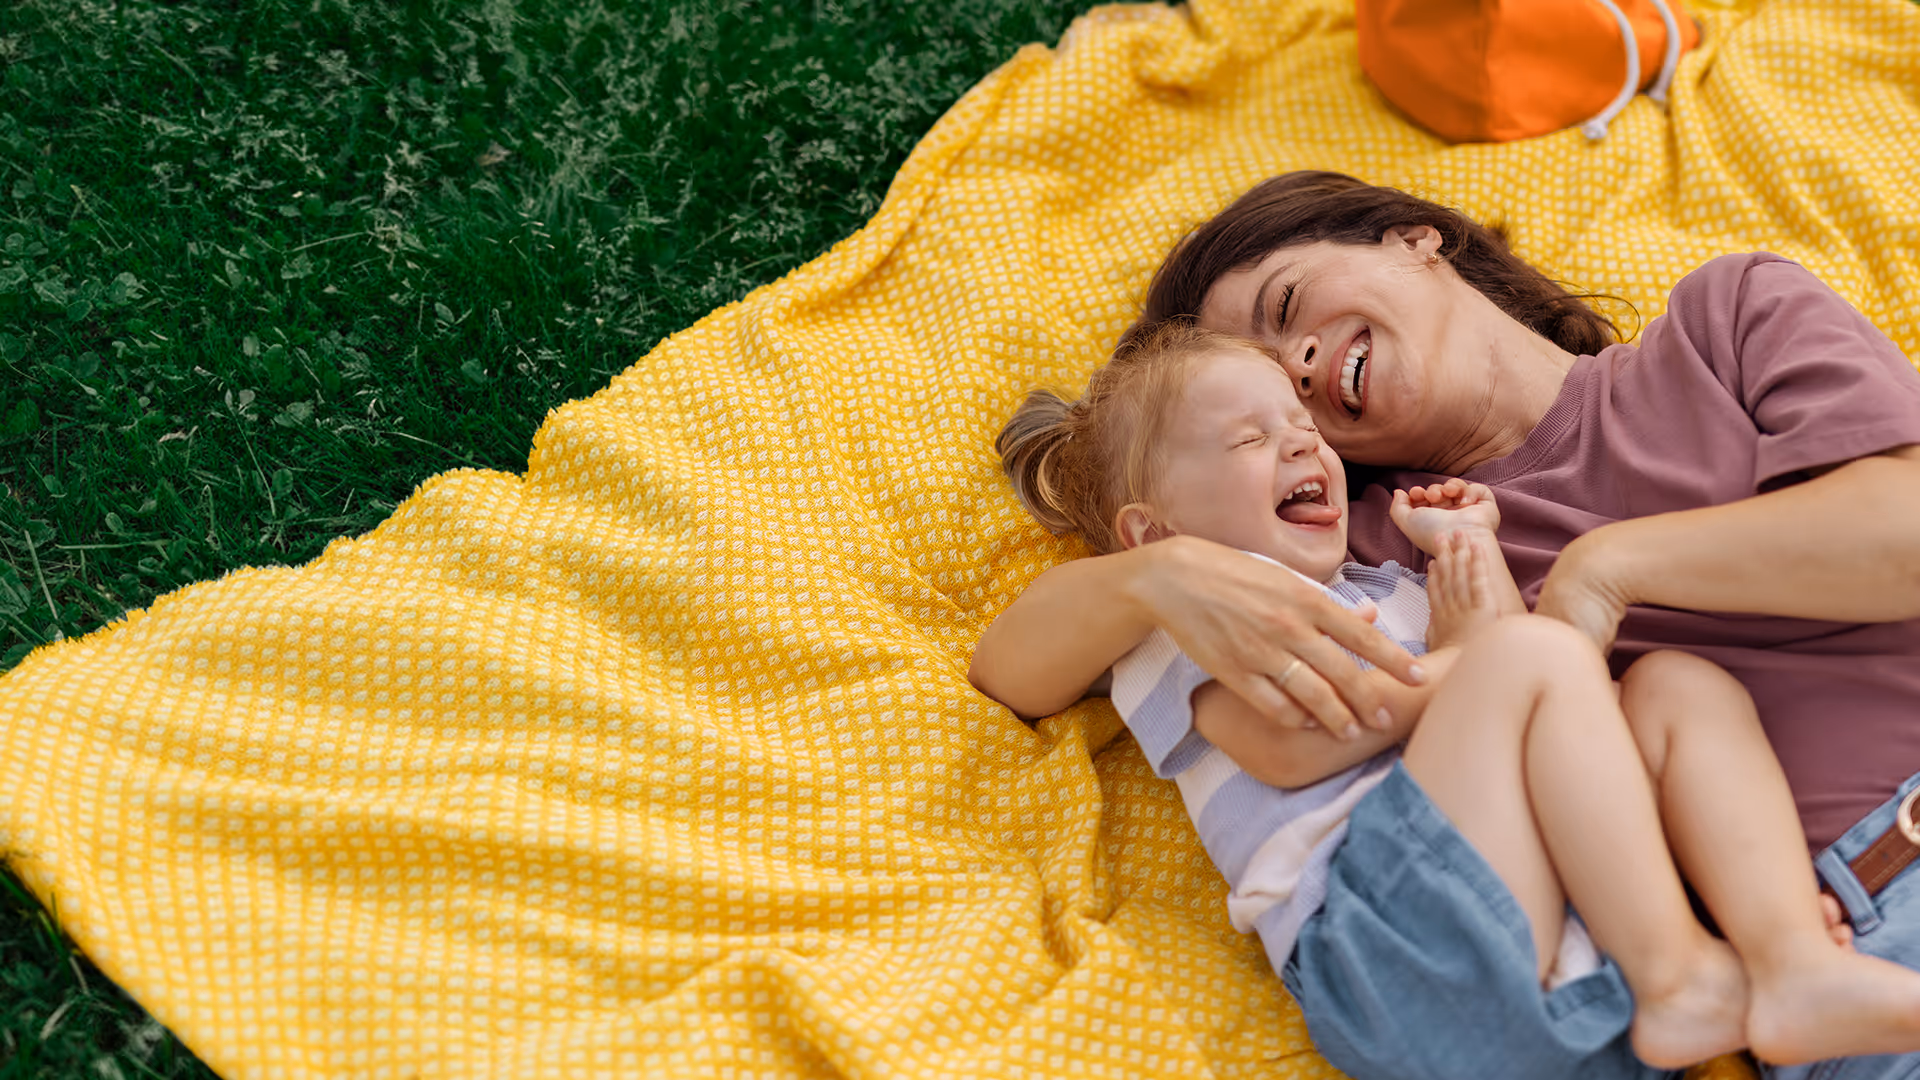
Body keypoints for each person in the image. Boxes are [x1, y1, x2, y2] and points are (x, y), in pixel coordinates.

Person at [968, 171, 1920, 1078]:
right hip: (1873, 918)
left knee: (1675, 686)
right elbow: (1022, 669)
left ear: (1416, 241)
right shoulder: (1370, 552)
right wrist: (1156, 573)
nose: (1296, 382)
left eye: (1288, 305)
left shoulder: (1727, 318)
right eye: (1260, 405)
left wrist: (1607, 573)